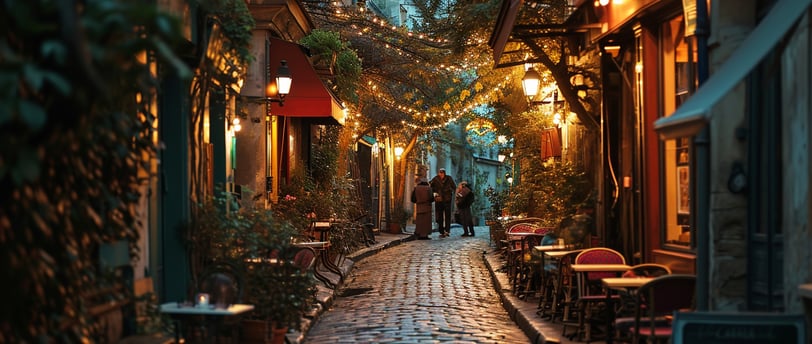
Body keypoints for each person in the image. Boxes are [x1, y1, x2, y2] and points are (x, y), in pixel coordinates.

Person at [430, 168, 456, 238]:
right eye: (440, 173)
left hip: (447, 199)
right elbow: (430, 186)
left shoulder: (449, 178)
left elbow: (454, 187)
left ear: (444, 173)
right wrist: (434, 193)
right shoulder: (435, 179)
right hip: (439, 199)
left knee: (447, 215)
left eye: (442, 173)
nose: (441, 174)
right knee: (439, 216)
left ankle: (447, 230)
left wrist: (450, 192)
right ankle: (441, 230)